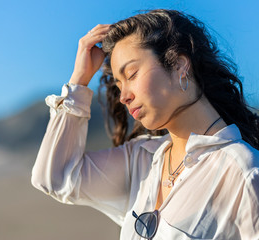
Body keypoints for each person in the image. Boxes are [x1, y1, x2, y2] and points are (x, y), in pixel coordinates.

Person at [31, 9, 259, 239]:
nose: (123, 96)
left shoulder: (243, 172)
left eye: (131, 74)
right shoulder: (142, 160)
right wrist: (79, 81)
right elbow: (55, 178)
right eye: (119, 85)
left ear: (180, 65)